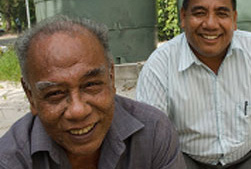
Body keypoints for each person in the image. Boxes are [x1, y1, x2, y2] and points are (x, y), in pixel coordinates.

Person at [136, 0, 251, 169]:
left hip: (247, 157)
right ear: (183, 17)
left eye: (222, 13)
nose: (211, 24)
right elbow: (148, 137)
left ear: (234, 19)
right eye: (199, 13)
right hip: (186, 158)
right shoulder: (160, 65)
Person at [0, 15, 186, 169]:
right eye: (55, 93)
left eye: (90, 85)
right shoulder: (10, 160)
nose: (78, 110)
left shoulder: (153, 133)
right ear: (31, 96)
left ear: (111, 78)